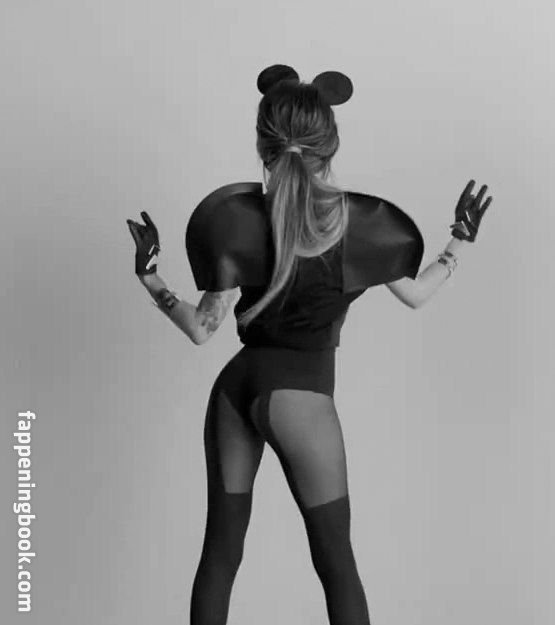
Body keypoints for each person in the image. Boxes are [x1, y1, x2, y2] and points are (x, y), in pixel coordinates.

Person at [126, 64, 493, 625]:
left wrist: (151, 278)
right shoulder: (363, 226)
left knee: (220, 556)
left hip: (235, 389)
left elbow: (202, 329)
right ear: (331, 145)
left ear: (263, 147)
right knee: (337, 565)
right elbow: (418, 295)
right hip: (301, 397)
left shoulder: (237, 221)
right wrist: (457, 244)